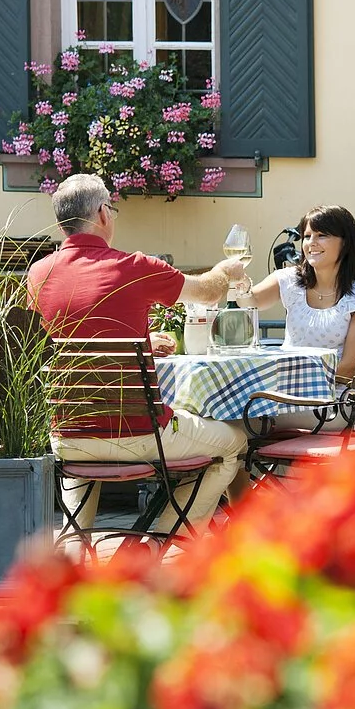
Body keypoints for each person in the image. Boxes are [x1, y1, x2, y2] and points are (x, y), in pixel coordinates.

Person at [27, 173, 250, 540]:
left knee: (87, 453)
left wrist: (142, 341)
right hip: (140, 435)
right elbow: (208, 293)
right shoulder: (133, 267)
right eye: (112, 208)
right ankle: (159, 542)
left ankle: (74, 550)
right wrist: (225, 272)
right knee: (234, 442)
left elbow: (71, 333)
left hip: (67, 436)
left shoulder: (37, 273)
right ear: (102, 213)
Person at [237, 205, 355, 385]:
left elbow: (350, 367)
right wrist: (240, 284)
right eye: (307, 236)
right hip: (283, 388)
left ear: (346, 242)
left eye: (322, 235)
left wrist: (297, 384)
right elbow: (252, 302)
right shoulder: (289, 279)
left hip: (331, 400)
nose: (311, 242)